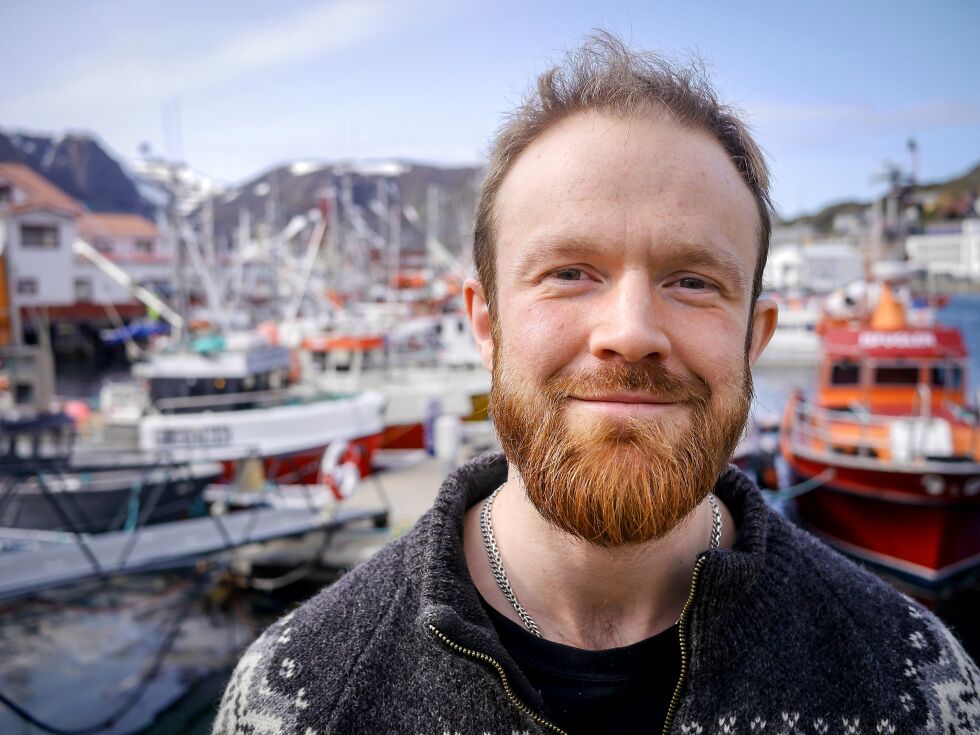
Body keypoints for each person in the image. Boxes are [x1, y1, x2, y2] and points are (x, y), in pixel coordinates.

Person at [213, 33, 979, 735]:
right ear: (486, 325)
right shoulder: (295, 699)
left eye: (691, 280)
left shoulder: (921, 688)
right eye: (570, 273)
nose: (631, 330)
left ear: (755, 338)